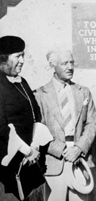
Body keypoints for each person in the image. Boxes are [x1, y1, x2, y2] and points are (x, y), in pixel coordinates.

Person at [34, 47, 96, 201]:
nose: (70, 67)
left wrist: (79, 148)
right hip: (53, 164)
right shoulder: (39, 95)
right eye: (64, 63)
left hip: (79, 160)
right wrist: (62, 150)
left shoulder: (83, 92)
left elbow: (92, 123)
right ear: (52, 66)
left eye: (72, 63)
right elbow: (37, 130)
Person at [0, 35, 44, 200]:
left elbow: (36, 115)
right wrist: (26, 151)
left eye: (23, 55)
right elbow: (1, 128)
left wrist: (34, 147)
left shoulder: (22, 82)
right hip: (8, 164)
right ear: (3, 58)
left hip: (30, 162)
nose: (22, 60)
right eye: (18, 56)